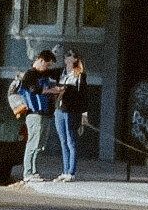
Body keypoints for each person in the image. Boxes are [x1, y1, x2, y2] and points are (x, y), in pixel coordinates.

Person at [9, 49, 60, 183]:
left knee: (40, 144)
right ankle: (28, 172)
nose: (48, 68)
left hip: (45, 113)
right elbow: (34, 90)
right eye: (47, 65)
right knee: (33, 142)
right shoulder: (30, 75)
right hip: (34, 113)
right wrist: (52, 90)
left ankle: (34, 171)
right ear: (41, 61)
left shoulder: (44, 74)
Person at [55, 52, 92, 182]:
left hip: (72, 111)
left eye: (69, 55)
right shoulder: (61, 73)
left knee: (71, 141)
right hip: (59, 110)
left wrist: (84, 114)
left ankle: (71, 171)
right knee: (63, 141)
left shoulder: (79, 75)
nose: (66, 57)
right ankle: (65, 171)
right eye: (65, 55)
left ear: (75, 59)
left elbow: (84, 96)